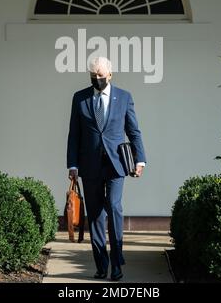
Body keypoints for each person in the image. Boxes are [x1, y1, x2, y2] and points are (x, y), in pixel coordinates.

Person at [67, 56, 146, 281]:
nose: (98, 79)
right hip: (89, 165)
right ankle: (101, 265)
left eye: (101, 76)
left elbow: (134, 131)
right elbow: (74, 134)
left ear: (110, 75)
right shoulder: (80, 98)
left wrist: (140, 160)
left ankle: (117, 262)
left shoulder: (124, 97)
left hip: (116, 164)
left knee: (113, 206)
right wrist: (72, 164)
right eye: (94, 76)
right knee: (95, 215)